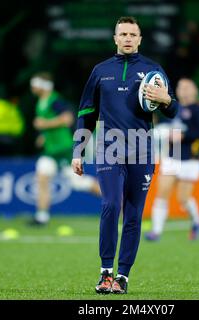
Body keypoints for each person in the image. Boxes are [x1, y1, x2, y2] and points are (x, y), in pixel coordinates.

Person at [72, 16, 178, 294]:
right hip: (108, 149)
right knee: (111, 205)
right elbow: (86, 113)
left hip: (142, 151)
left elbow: (172, 109)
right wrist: (78, 151)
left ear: (140, 39)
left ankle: (122, 277)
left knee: (133, 216)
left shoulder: (153, 70)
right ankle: (105, 272)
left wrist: (167, 100)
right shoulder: (100, 71)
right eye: (123, 34)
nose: (128, 38)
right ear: (115, 39)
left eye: (133, 34)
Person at [30, 72, 101, 225]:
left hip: (63, 149)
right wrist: (44, 136)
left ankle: (118, 200)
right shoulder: (41, 102)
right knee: (41, 177)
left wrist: (44, 124)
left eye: (34, 83)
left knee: (78, 183)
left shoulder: (55, 100)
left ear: (43, 85)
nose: (32, 87)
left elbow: (67, 119)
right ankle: (41, 217)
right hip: (50, 150)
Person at [145, 79, 199, 241]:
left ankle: (196, 221)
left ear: (195, 90)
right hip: (172, 157)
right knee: (162, 193)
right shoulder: (173, 109)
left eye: (187, 87)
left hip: (191, 159)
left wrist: (183, 136)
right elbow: (164, 128)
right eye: (181, 87)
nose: (184, 90)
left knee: (183, 199)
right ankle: (156, 231)